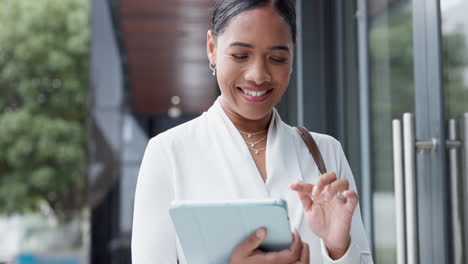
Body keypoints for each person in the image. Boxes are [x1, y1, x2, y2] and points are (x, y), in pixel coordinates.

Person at [131, 0, 373, 263]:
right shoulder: (168, 153)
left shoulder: (325, 153)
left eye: (277, 58)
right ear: (212, 48)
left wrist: (339, 248)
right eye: (240, 56)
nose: (258, 75)